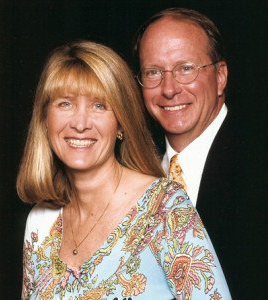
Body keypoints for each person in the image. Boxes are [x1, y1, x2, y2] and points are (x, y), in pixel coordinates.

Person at [17, 40, 231, 299]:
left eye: (99, 106)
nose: (81, 123)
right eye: (65, 104)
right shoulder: (40, 221)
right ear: (45, 119)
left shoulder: (165, 208)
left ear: (120, 122)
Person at [134, 7, 267, 299]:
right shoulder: (132, 170)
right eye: (153, 72)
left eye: (186, 68)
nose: (169, 89)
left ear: (220, 76)